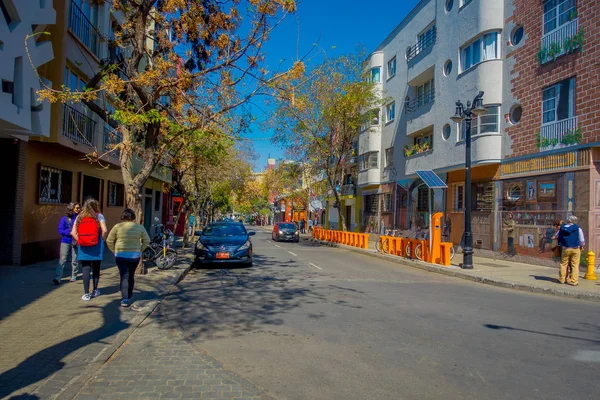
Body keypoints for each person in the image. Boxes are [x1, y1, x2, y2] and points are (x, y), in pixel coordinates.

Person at [106, 209, 150, 307]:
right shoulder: (140, 227)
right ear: (133, 217)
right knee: (131, 275)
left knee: (124, 276)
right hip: (134, 256)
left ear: (123, 217)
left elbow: (109, 240)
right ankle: (129, 295)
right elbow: (147, 240)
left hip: (120, 255)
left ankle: (124, 299)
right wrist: (140, 249)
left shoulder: (117, 227)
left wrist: (113, 250)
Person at [71, 199, 108, 301]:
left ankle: (86, 294)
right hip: (97, 244)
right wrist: (102, 240)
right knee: (96, 268)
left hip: (83, 246)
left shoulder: (80, 217)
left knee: (85, 268)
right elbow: (104, 230)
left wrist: (80, 241)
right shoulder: (99, 216)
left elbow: (73, 232)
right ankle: (95, 290)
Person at [54, 202, 81, 284]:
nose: (78, 209)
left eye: (79, 208)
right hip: (65, 241)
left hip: (75, 241)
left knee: (75, 259)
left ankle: (74, 276)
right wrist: (69, 232)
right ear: (71, 208)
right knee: (62, 259)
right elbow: (60, 230)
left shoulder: (79, 218)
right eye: (76, 208)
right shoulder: (64, 219)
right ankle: (58, 277)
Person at [557, 215, 585, 286]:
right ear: (575, 221)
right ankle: (574, 281)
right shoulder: (578, 228)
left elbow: (557, 236)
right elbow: (582, 240)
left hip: (565, 248)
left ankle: (562, 279)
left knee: (563, 264)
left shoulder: (562, 227)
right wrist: (582, 245)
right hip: (575, 248)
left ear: (568, 220)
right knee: (575, 265)